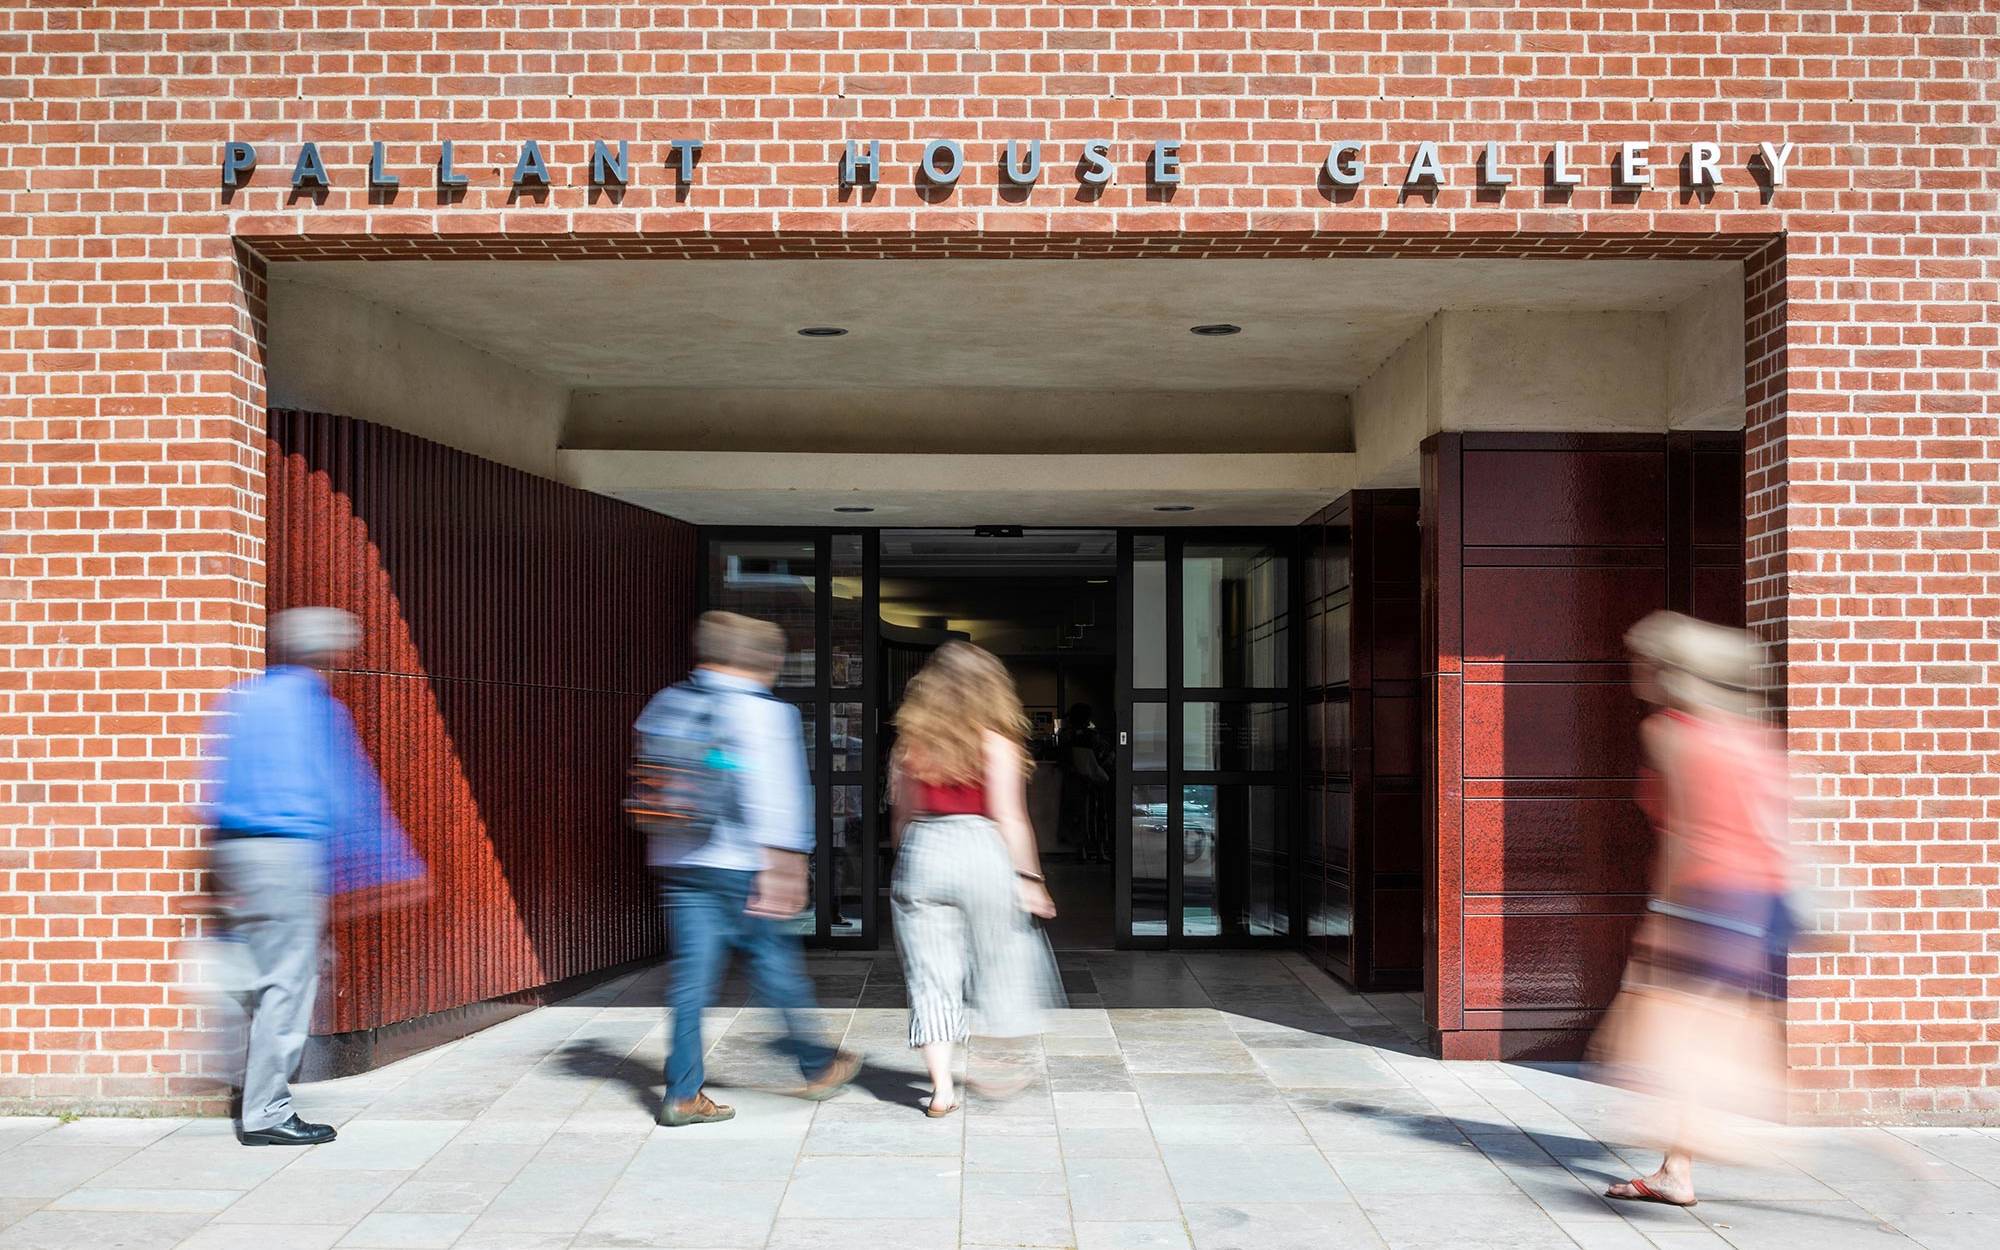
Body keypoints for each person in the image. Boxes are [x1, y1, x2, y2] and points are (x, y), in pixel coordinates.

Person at [1593, 612, 1795, 1207]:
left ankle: (1730, 1137)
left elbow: (1682, 838)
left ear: (1669, 671)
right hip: (1762, 903)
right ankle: (1676, 1168)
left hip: (1707, 898)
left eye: (1644, 660)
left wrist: (1662, 916)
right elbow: (1777, 823)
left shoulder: (1672, 732)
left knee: (1643, 1036)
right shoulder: (1752, 733)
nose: (1637, 670)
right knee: (1706, 1030)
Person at [639, 611, 859, 1127]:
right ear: (763, 661)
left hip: (680, 862)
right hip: (741, 867)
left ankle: (682, 1094)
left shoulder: (668, 704)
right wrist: (787, 866)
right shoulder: (762, 712)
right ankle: (817, 1065)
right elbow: (776, 796)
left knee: (690, 983)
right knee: (776, 967)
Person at [204, 606, 406, 1146]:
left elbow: (214, 785)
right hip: (287, 855)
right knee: (288, 983)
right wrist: (389, 865)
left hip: (234, 851)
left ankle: (237, 1074)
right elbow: (345, 793)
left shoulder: (243, 699)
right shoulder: (314, 708)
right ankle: (266, 1113)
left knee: (256, 969)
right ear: (327, 656)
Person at [890, 642, 1065, 1117]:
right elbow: (1011, 817)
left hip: (925, 850)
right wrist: (1030, 879)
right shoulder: (997, 742)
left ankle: (942, 1090)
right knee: (1001, 957)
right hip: (982, 850)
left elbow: (902, 816)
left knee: (930, 976)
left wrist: (908, 863)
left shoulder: (911, 744)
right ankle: (995, 1064)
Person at [1058, 702, 1111, 862]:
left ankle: (1081, 851)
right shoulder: (1094, 736)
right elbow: (1104, 755)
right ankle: (1100, 851)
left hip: (1075, 781)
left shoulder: (1066, 735)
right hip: (1094, 780)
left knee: (1078, 816)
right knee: (1099, 816)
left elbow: (1063, 760)